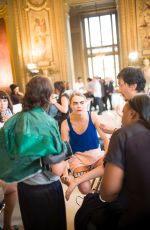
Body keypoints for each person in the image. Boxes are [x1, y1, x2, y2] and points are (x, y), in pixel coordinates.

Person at [0, 76, 68, 230]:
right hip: (47, 189)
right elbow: (57, 169)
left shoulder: (13, 120)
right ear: (47, 96)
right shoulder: (48, 122)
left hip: (25, 188)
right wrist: (65, 151)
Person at [75, 94, 150, 229]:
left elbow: (108, 192)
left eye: (123, 114)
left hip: (135, 215)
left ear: (132, 114)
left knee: (88, 209)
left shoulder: (123, 134)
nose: (121, 119)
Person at [61, 92, 109, 199]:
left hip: (96, 156)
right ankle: (91, 201)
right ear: (70, 105)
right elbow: (64, 150)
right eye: (75, 103)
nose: (79, 106)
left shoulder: (93, 116)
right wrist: (65, 173)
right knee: (85, 189)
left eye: (82, 103)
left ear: (86, 103)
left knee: (111, 170)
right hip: (78, 159)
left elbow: (106, 139)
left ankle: (99, 201)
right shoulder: (65, 123)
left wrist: (106, 155)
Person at [101, 67, 146, 134]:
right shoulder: (133, 104)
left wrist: (115, 131)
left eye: (120, 85)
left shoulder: (146, 105)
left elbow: (141, 136)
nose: (119, 90)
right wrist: (124, 116)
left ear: (133, 86)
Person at [0, 91, 18, 230]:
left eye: (4, 100)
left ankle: (7, 224)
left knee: (13, 188)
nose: (2, 104)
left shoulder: (13, 118)